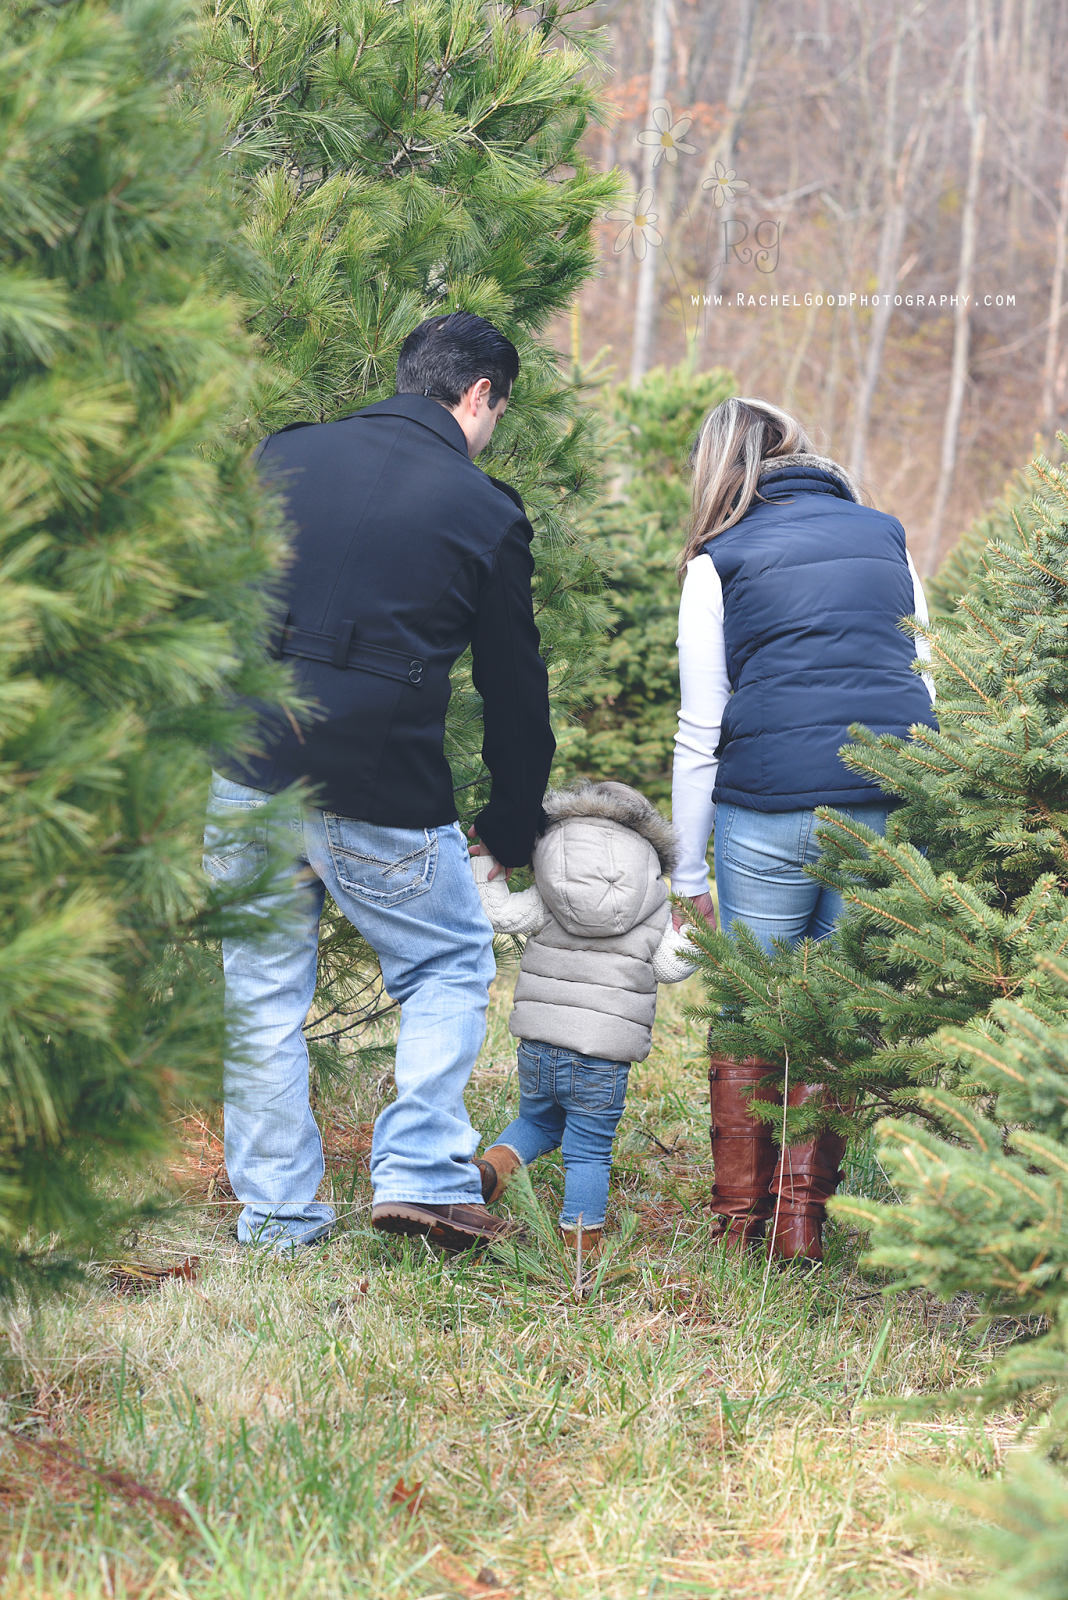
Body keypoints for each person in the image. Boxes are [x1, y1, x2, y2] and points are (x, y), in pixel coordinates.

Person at [203, 312, 555, 1254]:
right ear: (479, 394)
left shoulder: (283, 455)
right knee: (449, 964)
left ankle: (279, 1220)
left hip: (247, 766)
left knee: (260, 997)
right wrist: (512, 823)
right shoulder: (486, 510)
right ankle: (422, 1177)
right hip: (378, 782)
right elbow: (514, 685)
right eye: (499, 412)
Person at [670, 397, 937, 1263]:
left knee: (753, 1010)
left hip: (767, 808)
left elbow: (700, 729)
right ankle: (800, 1225)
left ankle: (737, 1222)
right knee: (843, 1008)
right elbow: (927, 679)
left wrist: (687, 877)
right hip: (883, 799)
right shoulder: (887, 535)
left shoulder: (717, 559)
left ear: (720, 470)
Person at [468, 781, 697, 1262]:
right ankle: (581, 1250)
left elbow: (499, 913)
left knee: (538, 1120)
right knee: (589, 1149)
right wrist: (694, 932)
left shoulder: (552, 887)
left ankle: (490, 1171)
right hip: (602, 1054)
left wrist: (483, 863)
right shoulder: (653, 902)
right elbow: (671, 967)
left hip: (539, 1040)